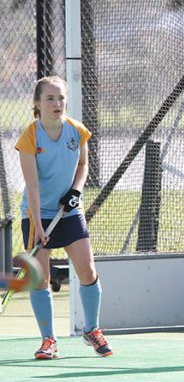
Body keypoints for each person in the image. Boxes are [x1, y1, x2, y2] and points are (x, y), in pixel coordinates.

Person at [15, 76, 113, 359]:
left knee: (88, 270)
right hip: (37, 213)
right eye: (50, 99)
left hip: (69, 211)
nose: (57, 104)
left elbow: (82, 165)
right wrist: (38, 226)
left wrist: (76, 190)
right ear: (37, 103)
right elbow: (32, 186)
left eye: (60, 98)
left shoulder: (76, 131)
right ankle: (48, 340)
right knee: (41, 279)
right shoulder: (29, 137)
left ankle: (92, 330)